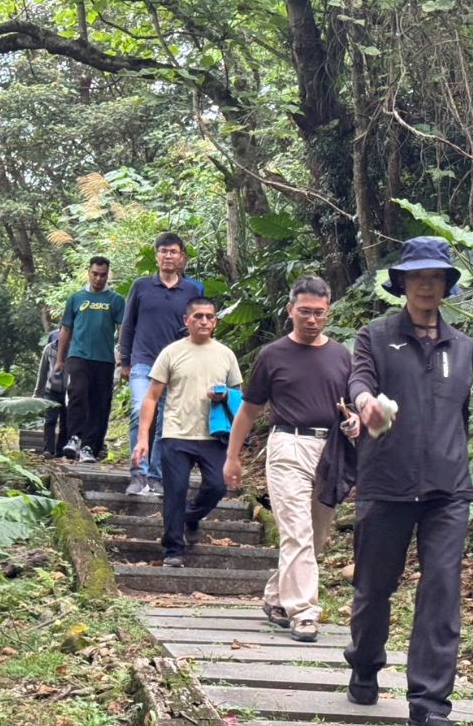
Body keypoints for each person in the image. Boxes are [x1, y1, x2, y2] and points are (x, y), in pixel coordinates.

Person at [343, 235, 473, 726]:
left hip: (448, 486)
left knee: (442, 589)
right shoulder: (375, 336)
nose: (426, 285)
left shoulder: (462, 347)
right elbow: (358, 382)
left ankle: (430, 704)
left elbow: (462, 415)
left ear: (446, 285)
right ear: (402, 283)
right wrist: (367, 405)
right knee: (375, 586)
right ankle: (365, 663)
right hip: (387, 482)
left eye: (435, 276)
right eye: (417, 276)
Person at [223, 276, 360, 643]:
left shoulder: (341, 355)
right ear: (290, 310)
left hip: (331, 449)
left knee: (316, 535)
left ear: (328, 311)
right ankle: (304, 612)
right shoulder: (273, 355)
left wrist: (355, 421)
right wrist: (233, 457)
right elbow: (248, 411)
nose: (312, 319)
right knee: (297, 531)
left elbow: (351, 403)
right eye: (304, 312)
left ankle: (275, 596)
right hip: (288, 446)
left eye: (319, 313)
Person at [131, 297, 242, 567]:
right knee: (175, 492)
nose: (204, 321)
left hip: (214, 434)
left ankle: (190, 517)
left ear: (215, 322)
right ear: (186, 320)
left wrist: (224, 396)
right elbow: (151, 397)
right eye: (198, 316)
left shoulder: (226, 354)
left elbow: (239, 396)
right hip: (176, 434)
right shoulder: (171, 353)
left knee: (217, 486)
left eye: (209, 317)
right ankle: (173, 549)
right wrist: (143, 439)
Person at [120, 233, 205, 495]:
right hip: (143, 362)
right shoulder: (141, 286)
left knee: (165, 422)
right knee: (139, 410)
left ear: (182, 257)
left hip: (176, 366)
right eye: (163, 251)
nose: (168, 256)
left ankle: (155, 476)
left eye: (173, 252)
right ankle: (138, 474)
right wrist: (125, 360)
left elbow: (200, 326)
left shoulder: (193, 290)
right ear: (156, 256)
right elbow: (128, 324)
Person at [55, 256, 125, 463]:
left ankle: (89, 447)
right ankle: (74, 437)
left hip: (104, 359)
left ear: (108, 275)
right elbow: (66, 329)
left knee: (100, 403)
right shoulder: (76, 298)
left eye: (103, 275)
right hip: (78, 356)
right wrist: (60, 359)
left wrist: (122, 354)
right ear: (88, 273)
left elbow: (123, 328)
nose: (98, 279)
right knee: (77, 392)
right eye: (95, 274)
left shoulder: (116, 300)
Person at [33, 327, 67, 456]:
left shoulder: (74, 349)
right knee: (50, 420)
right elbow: (42, 371)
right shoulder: (49, 349)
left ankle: (61, 451)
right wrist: (37, 393)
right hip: (51, 390)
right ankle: (48, 450)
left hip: (68, 391)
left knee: (66, 422)